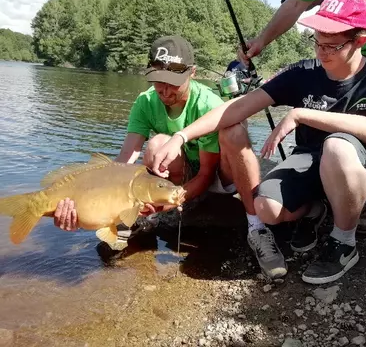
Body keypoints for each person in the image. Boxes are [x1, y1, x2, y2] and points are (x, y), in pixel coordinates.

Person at [150, 0, 366, 284]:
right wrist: (180, 135)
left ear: (360, 41)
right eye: (317, 41)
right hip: (311, 161)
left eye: (331, 46)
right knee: (265, 208)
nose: (321, 52)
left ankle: (343, 242)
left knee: (337, 146)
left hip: (363, 166)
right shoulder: (303, 72)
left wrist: (301, 114)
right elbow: (238, 107)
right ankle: (315, 209)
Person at [53, 35, 276, 274]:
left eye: (172, 82)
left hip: (218, 175)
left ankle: (256, 227)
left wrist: (171, 202)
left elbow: (205, 174)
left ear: (192, 72)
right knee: (157, 143)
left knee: (234, 131)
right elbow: (121, 165)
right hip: (180, 179)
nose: (164, 90)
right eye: (158, 80)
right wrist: (87, 205)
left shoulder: (207, 103)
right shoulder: (145, 102)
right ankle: (145, 219)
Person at [238, 0, 366, 234]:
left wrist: (300, 115)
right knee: (338, 132)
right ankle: (327, 192)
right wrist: (262, 40)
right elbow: (297, 1)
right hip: (342, 53)